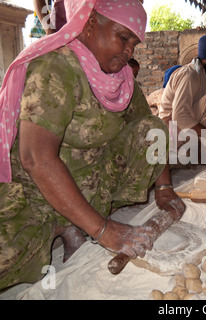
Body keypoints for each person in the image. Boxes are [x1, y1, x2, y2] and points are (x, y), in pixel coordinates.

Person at [0, 0, 185, 292]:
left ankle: (77, 222)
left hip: (91, 185)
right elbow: (35, 158)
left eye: (134, 43)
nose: (129, 51)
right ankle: (68, 223)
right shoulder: (56, 68)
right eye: (123, 38)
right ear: (89, 25)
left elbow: (154, 130)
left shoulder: (122, 79)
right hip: (37, 191)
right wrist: (103, 230)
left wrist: (164, 189)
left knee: (152, 129)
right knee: (9, 260)